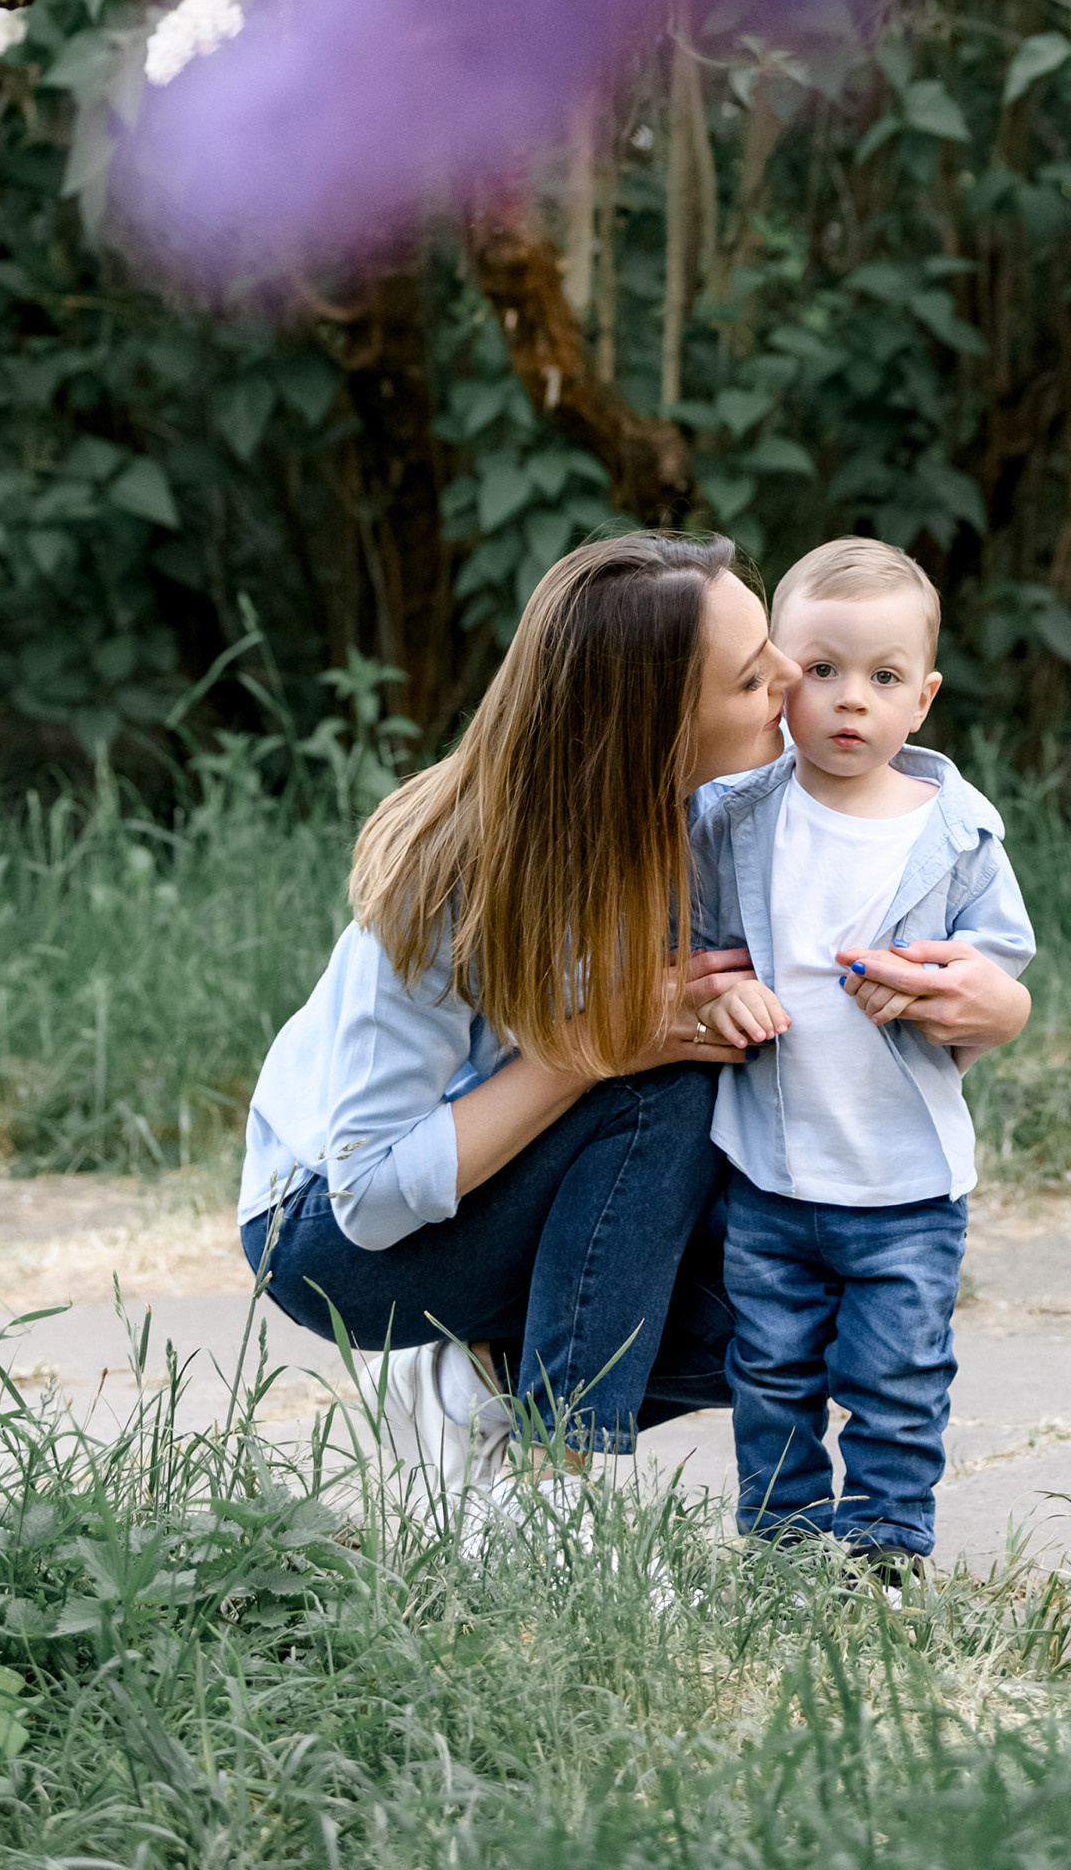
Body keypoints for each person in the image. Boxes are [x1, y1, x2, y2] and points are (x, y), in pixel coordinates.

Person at [238, 530, 793, 1496]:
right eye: (752, 680)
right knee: (660, 1073)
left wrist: (984, 995)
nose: (790, 675)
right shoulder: (446, 882)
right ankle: (554, 1484)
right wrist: (592, 1047)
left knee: (807, 1296)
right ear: (654, 730)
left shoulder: (709, 816)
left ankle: (478, 1383)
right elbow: (364, 1199)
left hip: (523, 1193)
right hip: (328, 1237)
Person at [685, 535, 1035, 1589]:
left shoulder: (957, 831)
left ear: (921, 699)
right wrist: (717, 990)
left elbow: (996, 954)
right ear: (781, 677)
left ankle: (888, 1546)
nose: (850, 701)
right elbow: (690, 946)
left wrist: (944, 982)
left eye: (883, 679)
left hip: (906, 1178)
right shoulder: (734, 816)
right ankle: (784, 1546)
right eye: (823, 671)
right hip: (770, 1168)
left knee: (897, 1373)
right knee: (771, 1370)